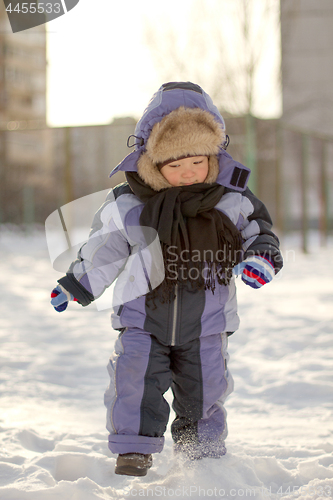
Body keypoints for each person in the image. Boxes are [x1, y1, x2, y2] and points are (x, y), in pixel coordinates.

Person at [50, 82, 283, 477]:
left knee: (205, 388)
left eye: (197, 163)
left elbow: (259, 234)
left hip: (207, 322)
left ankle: (202, 454)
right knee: (134, 379)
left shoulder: (232, 199)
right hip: (143, 317)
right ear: (152, 164)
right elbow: (104, 249)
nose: (188, 174)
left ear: (214, 156)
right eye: (175, 167)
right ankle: (134, 449)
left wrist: (260, 259)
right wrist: (77, 284)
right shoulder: (129, 204)